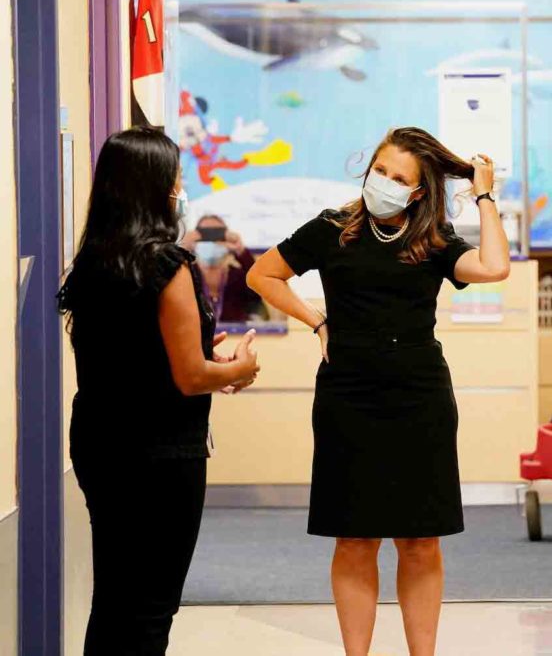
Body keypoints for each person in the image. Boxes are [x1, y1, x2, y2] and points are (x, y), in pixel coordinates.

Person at [247, 127, 510, 656]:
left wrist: (483, 195)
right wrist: (317, 322)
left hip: (420, 399)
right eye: (379, 170)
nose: (383, 182)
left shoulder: (432, 238)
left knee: (420, 540)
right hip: (348, 396)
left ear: (417, 192)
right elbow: (263, 275)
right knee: (354, 536)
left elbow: (494, 266)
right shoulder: (333, 229)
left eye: (398, 178)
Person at [57, 127, 260, 655]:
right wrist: (238, 369)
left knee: (116, 601)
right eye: (176, 180)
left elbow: (135, 352)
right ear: (153, 188)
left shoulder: (95, 263)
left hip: (101, 444)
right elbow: (190, 376)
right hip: (160, 455)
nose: (181, 190)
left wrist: (198, 349)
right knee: (150, 608)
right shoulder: (168, 264)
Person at [181, 215, 264, 322]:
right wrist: (182, 249)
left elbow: (258, 288)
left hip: (234, 337)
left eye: (217, 235)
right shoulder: (187, 275)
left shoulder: (237, 276)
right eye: (205, 235)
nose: (211, 242)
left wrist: (240, 251)